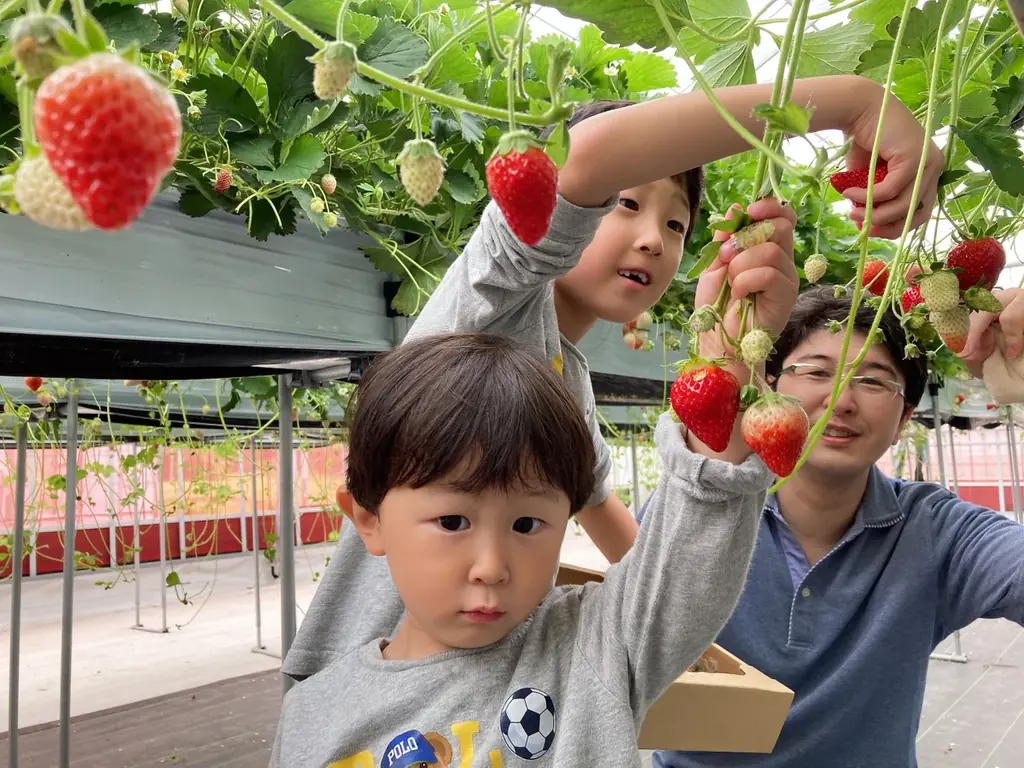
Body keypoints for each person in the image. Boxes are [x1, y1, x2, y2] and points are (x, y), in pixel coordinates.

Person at [281, 73, 943, 682]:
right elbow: (587, 155)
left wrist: (698, 636)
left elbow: (608, 516)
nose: (654, 238)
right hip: (360, 696)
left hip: (465, 709)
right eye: (625, 203)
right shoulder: (489, 306)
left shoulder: (569, 379)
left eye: (677, 223)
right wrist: (855, 102)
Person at [270, 331, 780, 766]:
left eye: (528, 523)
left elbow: (689, 560)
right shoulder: (314, 714)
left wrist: (730, 355)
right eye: (452, 521)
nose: (492, 568)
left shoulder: (594, 646)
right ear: (368, 517)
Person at [642, 285, 1024, 768]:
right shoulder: (700, 515)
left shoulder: (938, 533)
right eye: (817, 371)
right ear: (768, 387)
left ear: (905, 415)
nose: (842, 400)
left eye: (873, 381)